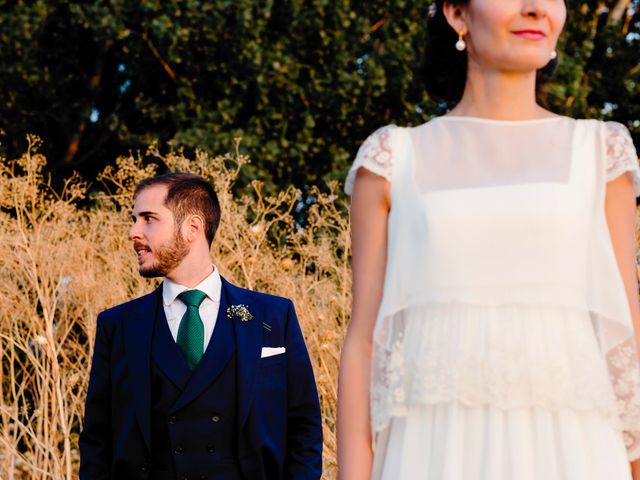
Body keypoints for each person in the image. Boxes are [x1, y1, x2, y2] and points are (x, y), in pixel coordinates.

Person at [337, 1, 640, 479]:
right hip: (431, 450)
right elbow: (364, 342)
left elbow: (627, 332)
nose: (536, 8)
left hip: (576, 448)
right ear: (457, 13)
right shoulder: (393, 158)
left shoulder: (600, 152)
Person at [79, 173, 322, 480]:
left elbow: (304, 425)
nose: (134, 232)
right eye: (134, 219)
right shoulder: (118, 325)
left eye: (149, 219)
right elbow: (97, 442)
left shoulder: (273, 315)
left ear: (192, 227)